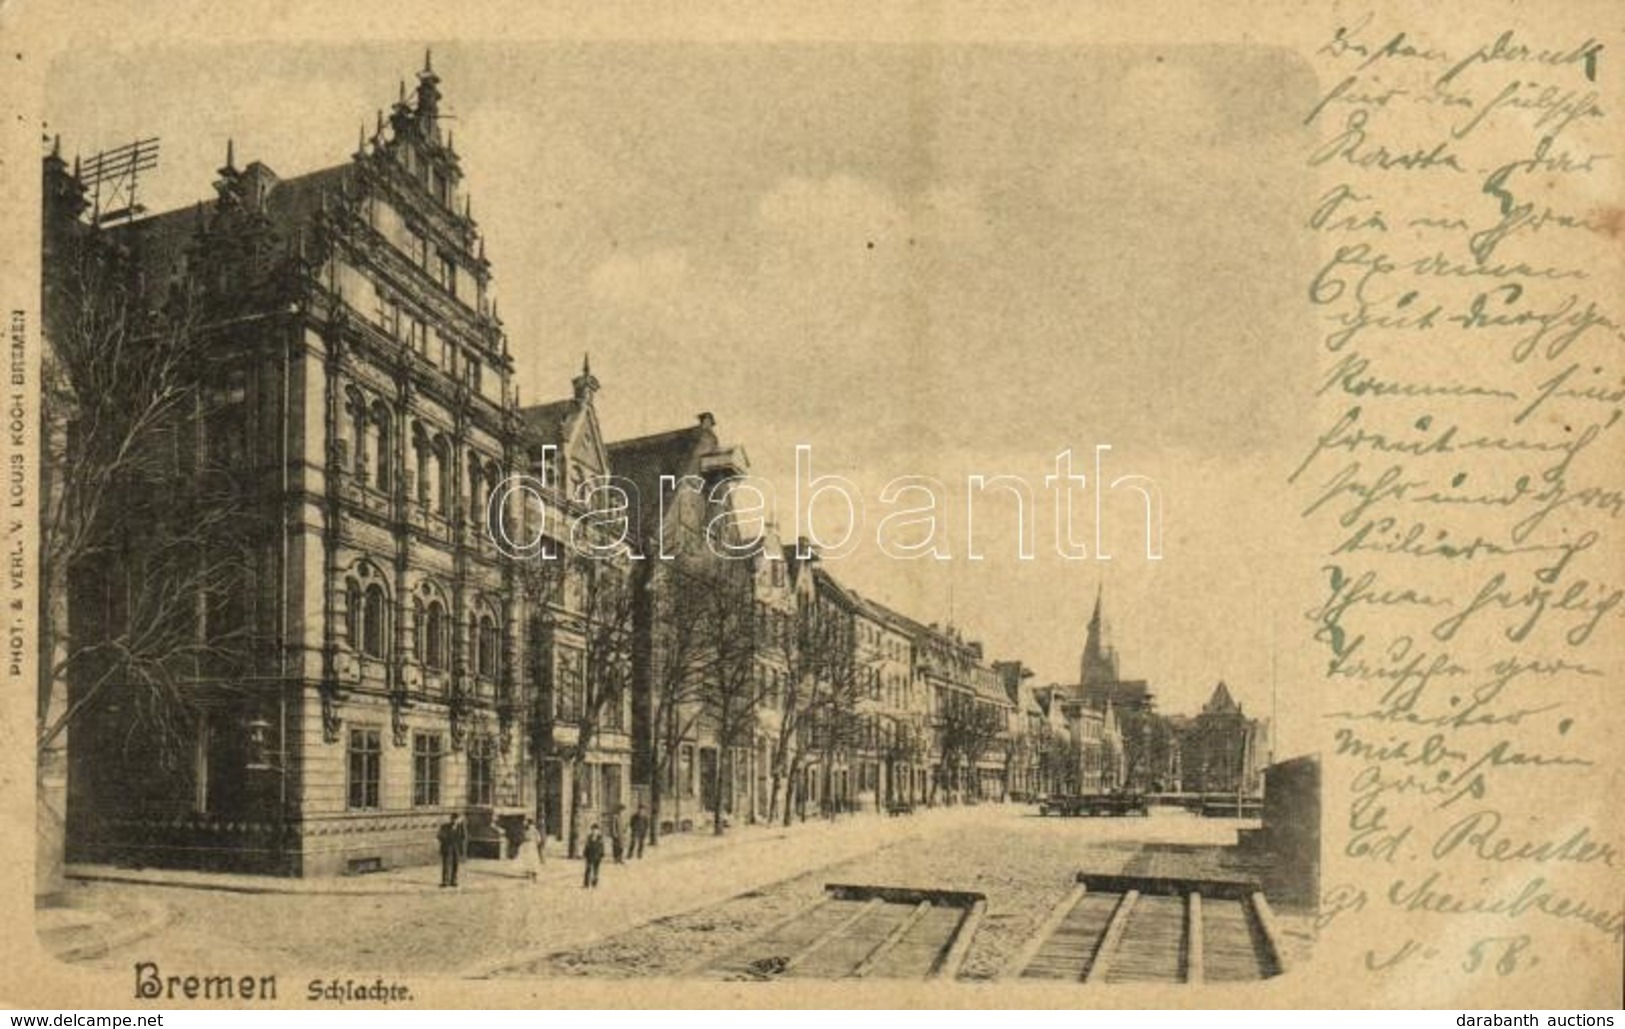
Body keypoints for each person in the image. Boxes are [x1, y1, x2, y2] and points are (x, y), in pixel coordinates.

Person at [437, 813, 467, 888]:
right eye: (453, 819)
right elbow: (439, 836)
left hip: (456, 848)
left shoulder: (460, 828)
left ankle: (454, 881)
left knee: (455, 864)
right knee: (446, 865)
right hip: (447, 848)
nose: (454, 821)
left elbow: (463, 837)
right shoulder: (445, 826)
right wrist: (446, 840)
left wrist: (463, 825)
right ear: (451, 819)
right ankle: (445, 881)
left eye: (456, 819)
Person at [582, 823, 605, 888]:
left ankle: (594, 882)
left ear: (598, 831)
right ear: (591, 830)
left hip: (597, 855)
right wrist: (585, 853)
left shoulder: (600, 838)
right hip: (590, 855)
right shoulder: (589, 838)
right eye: (593, 830)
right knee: (588, 869)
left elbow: (602, 847)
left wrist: (602, 854)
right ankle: (586, 883)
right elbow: (587, 846)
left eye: (596, 830)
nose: (594, 831)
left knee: (596, 870)